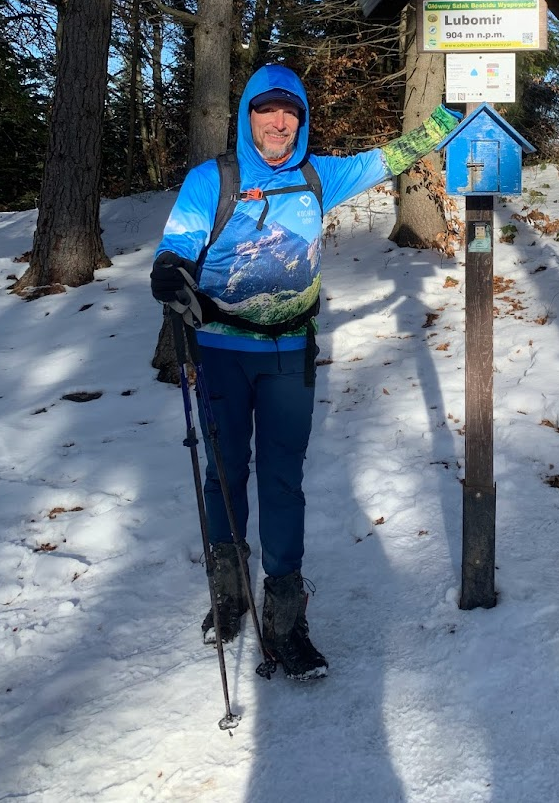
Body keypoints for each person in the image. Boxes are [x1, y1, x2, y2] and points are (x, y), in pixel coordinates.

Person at [151, 63, 460, 680]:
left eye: (289, 111)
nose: (279, 123)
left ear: (301, 118)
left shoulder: (321, 175)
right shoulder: (214, 179)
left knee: (283, 481)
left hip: (290, 352)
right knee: (224, 472)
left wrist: (454, 112)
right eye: (267, 111)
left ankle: (287, 618)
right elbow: (178, 244)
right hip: (221, 351)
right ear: (248, 117)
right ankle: (229, 590)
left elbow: (394, 155)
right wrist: (168, 270)